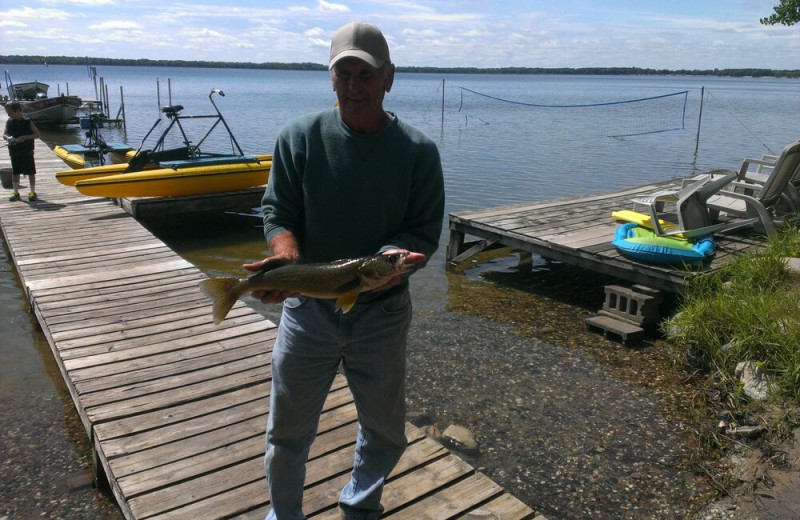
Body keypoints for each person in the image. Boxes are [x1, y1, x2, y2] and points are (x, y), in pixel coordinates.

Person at [244, 21, 445, 520]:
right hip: (308, 312)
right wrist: (286, 258)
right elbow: (278, 213)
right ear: (331, 79)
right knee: (286, 432)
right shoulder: (299, 138)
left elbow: (421, 233)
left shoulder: (418, 152)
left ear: (389, 78)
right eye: (345, 74)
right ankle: (284, 514)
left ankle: (358, 508)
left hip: (382, 315)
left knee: (384, 430)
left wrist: (397, 260)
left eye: (366, 74)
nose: (355, 86)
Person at [3, 101, 40, 202]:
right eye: (7, 112)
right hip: (15, 151)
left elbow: (37, 134)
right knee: (15, 172)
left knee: (31, 172)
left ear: (18, 110)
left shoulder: (28, 121)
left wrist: (26, 137)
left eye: (10, 112)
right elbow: (4, 134)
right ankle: (16, 192)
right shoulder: (9, 121)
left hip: (27, 151)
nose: (8, 114)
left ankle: (32, 192)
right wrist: (9, 138)